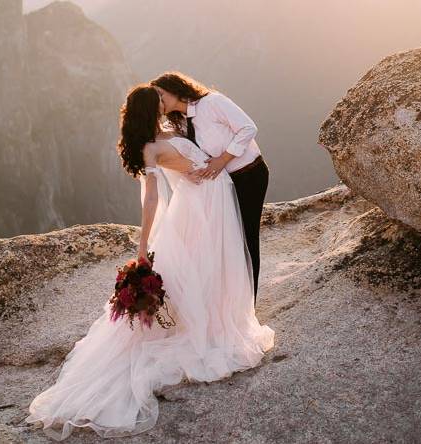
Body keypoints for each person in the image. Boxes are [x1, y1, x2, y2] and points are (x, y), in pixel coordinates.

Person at [24, 85, 274, 441]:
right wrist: (143, 244)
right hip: (201, 207)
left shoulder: (166, 132)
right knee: (203, 267)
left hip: (213, 198)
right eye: (159, 102)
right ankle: (207, 329)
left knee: (209, 269)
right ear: (148, 110)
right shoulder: (150, 148)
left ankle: (215, 318)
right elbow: (151, 196)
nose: (166, 104)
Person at [151, 72, 269, 303]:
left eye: (161, 94)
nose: (160, 101)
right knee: (229, 238)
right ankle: (230, 298)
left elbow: (248, 128)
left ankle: (248, 302)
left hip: (250, 174)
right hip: (224, 183)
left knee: (246, 237)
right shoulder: (179, 121)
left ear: (175, 89)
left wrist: (223, 159)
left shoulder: (212, 102)